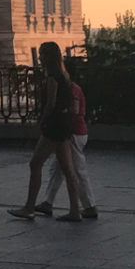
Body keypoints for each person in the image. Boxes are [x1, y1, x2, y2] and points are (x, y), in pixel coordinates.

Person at [10, 40, 89, 222]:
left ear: (48, 57)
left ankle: (29, 207)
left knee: (35, 163)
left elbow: (51, 104)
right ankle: (75, 210)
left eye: (42, 54)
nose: (39, 57)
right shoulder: (65, 76)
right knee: (68, 170)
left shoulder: (52, 77)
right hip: (64, 125)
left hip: (53, 127)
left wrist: (42, 120)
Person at [41, 67, 98, 217]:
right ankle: (48, 202)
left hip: (73, 132)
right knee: (58, 167)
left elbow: (73, 110)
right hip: (75, 131)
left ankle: (89, 205)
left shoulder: (71, 89)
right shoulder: (75, 88)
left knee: (75, 169)